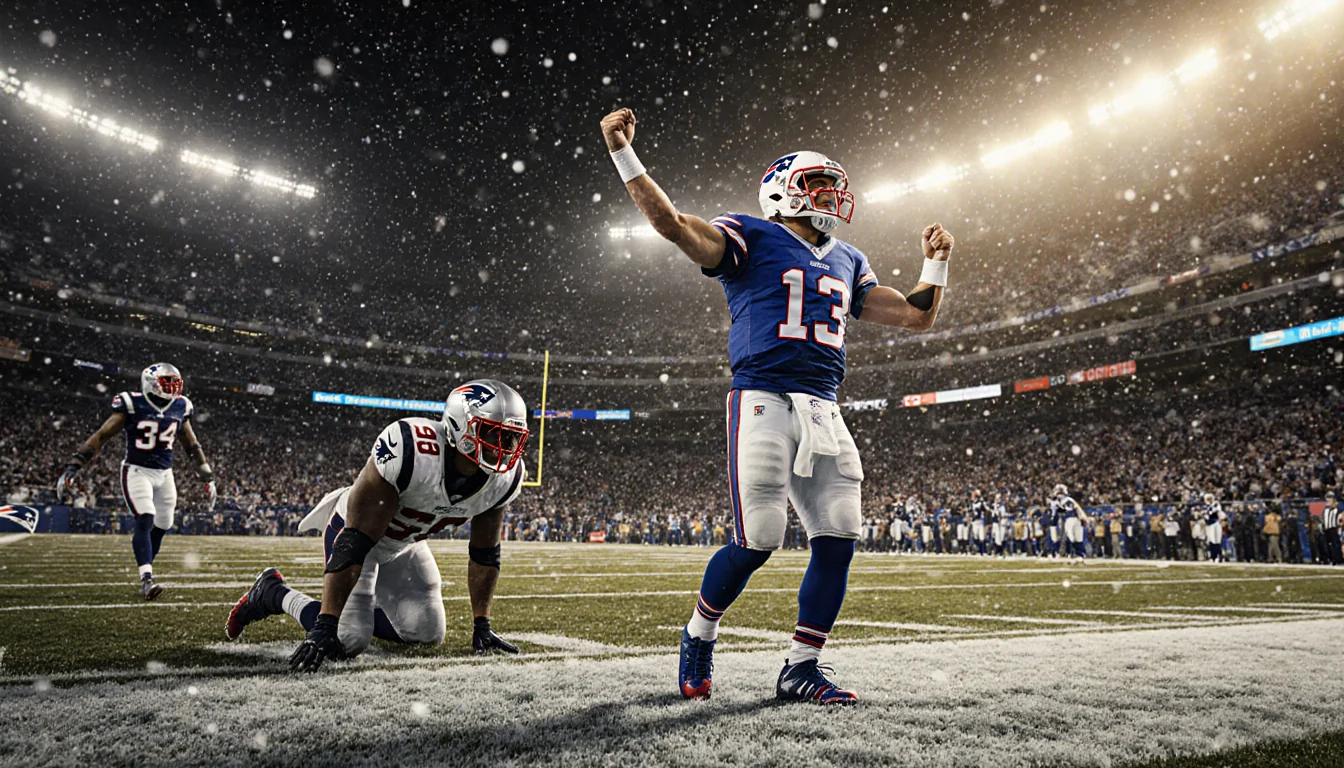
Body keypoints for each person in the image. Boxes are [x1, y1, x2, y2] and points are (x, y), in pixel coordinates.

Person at [601, 107, 955, 704]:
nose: (831, 196)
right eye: (819, 185)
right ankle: (699, 633)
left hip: (824, 405)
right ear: (783, 190)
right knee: (759, 536)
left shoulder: (848, 258)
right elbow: (669, 222)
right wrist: (623, 153)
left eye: (834, 187)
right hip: (762, 395)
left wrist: (936, 262)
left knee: (839, 534)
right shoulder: (751, 234)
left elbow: (917, 315)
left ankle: (800, 667)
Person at [223, 380, 530, 671]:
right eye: (495, 433)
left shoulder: (504, 479)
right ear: (461, 425)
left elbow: (485, 554)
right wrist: (327, 623)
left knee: (425, 632)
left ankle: (353, 618)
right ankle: (273, 593)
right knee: (349, 639)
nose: (506, 446)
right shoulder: (411, 449)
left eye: (514, 437)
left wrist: (482, 624)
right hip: (357, 531)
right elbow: (356, 539)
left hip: (404, 541)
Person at [56, 363, 216, 599]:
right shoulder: (133, 404)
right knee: (145, 517)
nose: (174, 388)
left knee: (163, 525)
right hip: (137, 471)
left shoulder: (181, 407)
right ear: (151, 383)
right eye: (168, 382)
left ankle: (145, 565)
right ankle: (147, 579)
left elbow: (192, 445)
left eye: (176, 382)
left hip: (165, 474)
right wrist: (73, 467)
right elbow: (102, 435)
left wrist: (208, 478)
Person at [1200, 492, 1228, 562]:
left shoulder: (1215, 504)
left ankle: (1219, 556)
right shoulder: (1204, 507)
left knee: (1216, 541)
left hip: (1215, 523)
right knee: (1210, 541)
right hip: (1208, 525)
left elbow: (1215, 512)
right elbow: (1205, 515)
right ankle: (1213, 556)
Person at [1324, 491, 1341, 566]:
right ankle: (1330, 558)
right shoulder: (1326, 510)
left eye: (1330, 498)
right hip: (1327, 528)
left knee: (1335, 544)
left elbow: (1340, 518)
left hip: (1334, 528)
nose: (1328, 500)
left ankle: (1337, 559)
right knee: (1328, 545)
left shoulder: (1337, 509)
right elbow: (1323, 518)